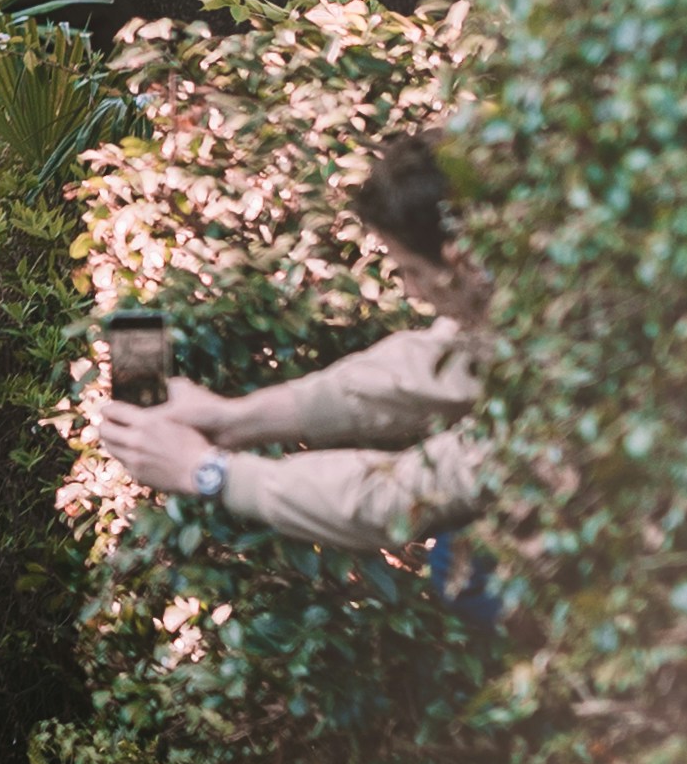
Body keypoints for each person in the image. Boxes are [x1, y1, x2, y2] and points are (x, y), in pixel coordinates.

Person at [85, 134, 492, 560]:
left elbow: (396, 498)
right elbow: (427, 365)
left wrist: (207, 471)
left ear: (464, 260)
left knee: (466, 567)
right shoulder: (528, 298)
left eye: (411, 270)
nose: (410, 291)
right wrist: (233, 420)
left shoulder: (557, 377)